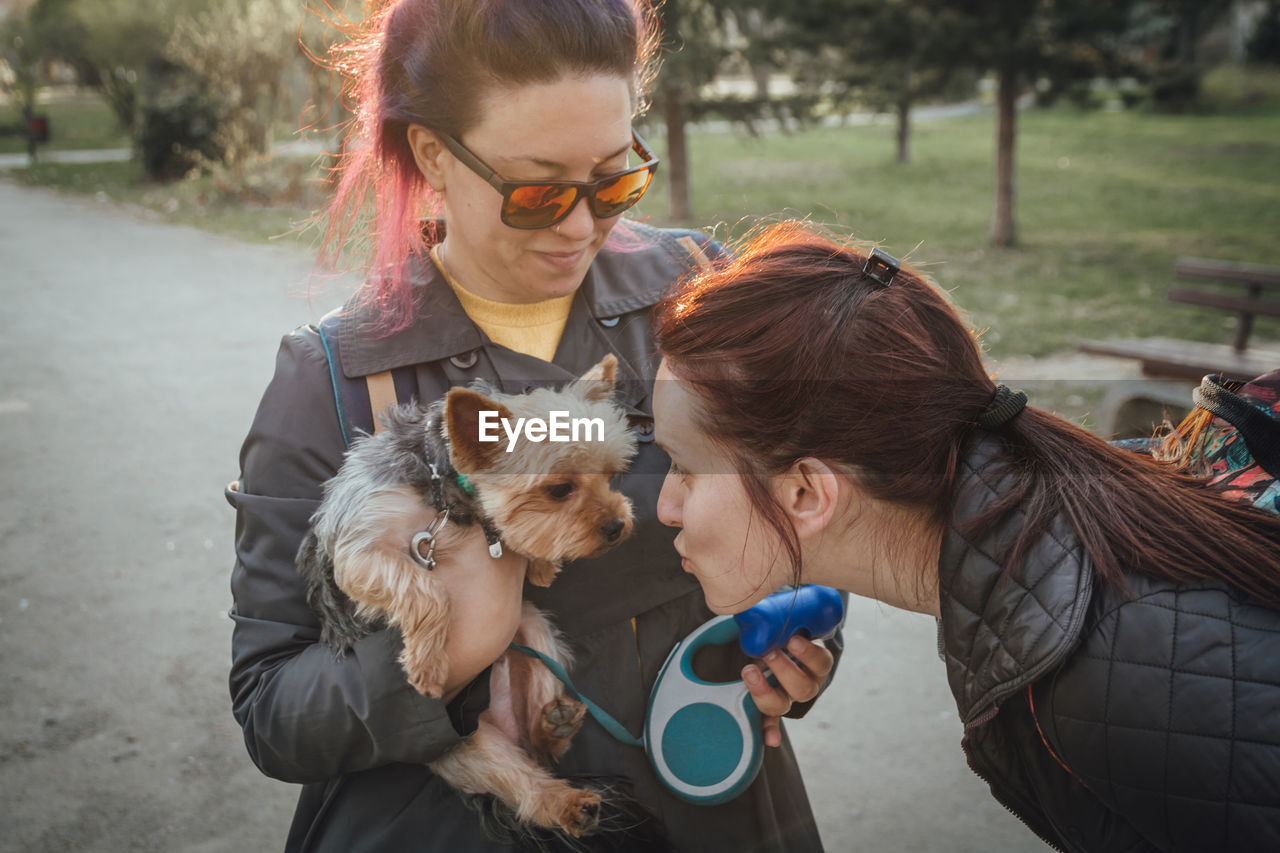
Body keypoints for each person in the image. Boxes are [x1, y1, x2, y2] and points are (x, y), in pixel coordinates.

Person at [226, 3, 836, 851]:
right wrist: (448, 655)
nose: (582, 226)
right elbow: (273, 709)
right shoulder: (334, 375)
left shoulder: (696, 297)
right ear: (433, 156)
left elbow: (803, 517)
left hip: (707, 798)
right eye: (538, 189)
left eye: (614, 178)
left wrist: (798, 653)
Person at [650, 221, 1280, 853]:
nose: (665, 507)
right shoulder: (1060, 557)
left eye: (684, 467)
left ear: (806, 494)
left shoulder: (1110, 683)